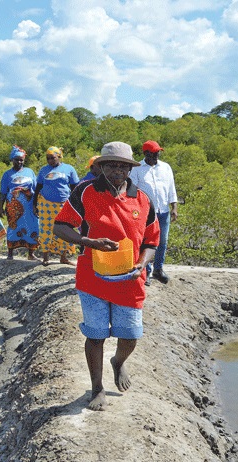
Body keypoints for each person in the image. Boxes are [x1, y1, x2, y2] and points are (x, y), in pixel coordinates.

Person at [53, 141, 160, 411]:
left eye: (122, 166)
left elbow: (152, 241)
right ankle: (97, 387)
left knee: (131, 336)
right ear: (100, 166)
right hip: (93, 278)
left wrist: (142, 263)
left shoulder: (142, 198)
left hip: (130, 278)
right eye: (111, 165)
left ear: (129, 169)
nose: (116, 171)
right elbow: (60, 226)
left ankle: (119, 362)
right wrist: (89, 242)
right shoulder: (85, 191)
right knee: (96, 335)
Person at [130, 140, 178, 284]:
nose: (156, 155)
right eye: (153, 153)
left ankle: (158, 269)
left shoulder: (166, 167)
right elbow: (133, 192)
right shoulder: (137, 169)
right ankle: (146, 271)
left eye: (158, 153)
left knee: (162, 242)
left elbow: (171, 188)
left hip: (163, 211)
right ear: (145, 153)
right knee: (146, 243)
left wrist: (174, 207)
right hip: (145, 214)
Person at [33, 146, 79, 266]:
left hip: (64, 204)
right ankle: (45, 257)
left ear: (59, 156)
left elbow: (74, 188)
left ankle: (63, 257)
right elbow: (37, 188)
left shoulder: (69, 169)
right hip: (45, 204)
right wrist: (34, 204)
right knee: (45, 229)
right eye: (48, 158)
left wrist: (76, 204)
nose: (50, 161)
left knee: (65, 228)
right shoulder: (43, 170)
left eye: (52, 158)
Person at [0, 146, 39, 261]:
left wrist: (36, 205)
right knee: (13, 227)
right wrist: (1, 208)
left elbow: (36, 189)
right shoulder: (7, 174)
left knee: (32, 226)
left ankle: (31, 253)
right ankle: (10, 253)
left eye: (21, 160)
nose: (19, 162)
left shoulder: (30, 172)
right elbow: (3, 192)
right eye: (17, 159)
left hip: (29, 205)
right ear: (12, 160)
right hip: (14, 206)